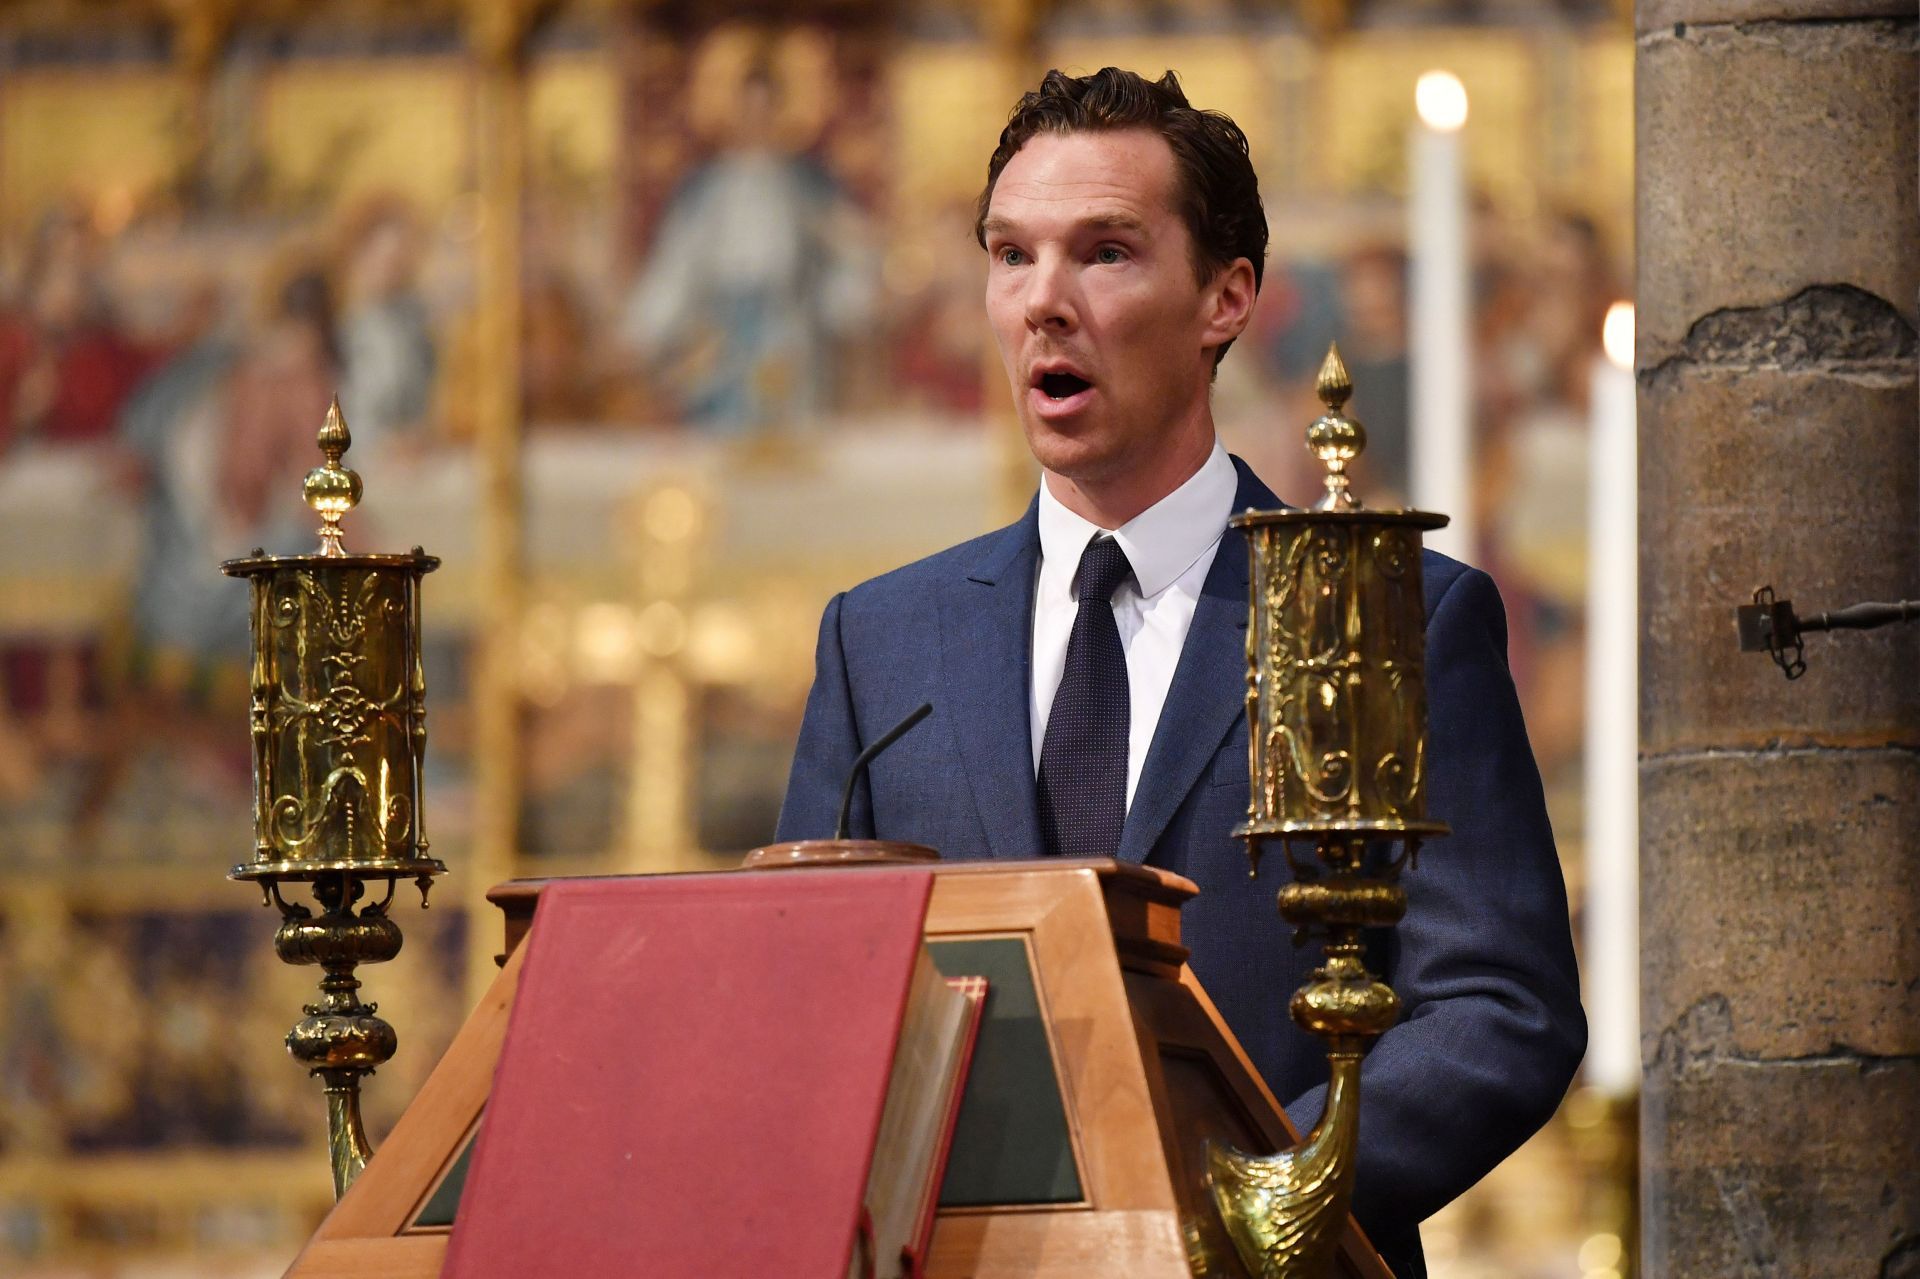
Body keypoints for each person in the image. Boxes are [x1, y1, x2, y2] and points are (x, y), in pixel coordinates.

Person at [775, 68, 1584, 1278]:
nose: (1043, 301)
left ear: (1225, 295)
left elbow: (1500, 1008)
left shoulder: (1395, 615)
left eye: (1104, 253)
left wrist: (1242, 1202)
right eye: (1011, 254)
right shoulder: (882, 643)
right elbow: (807, 1008)